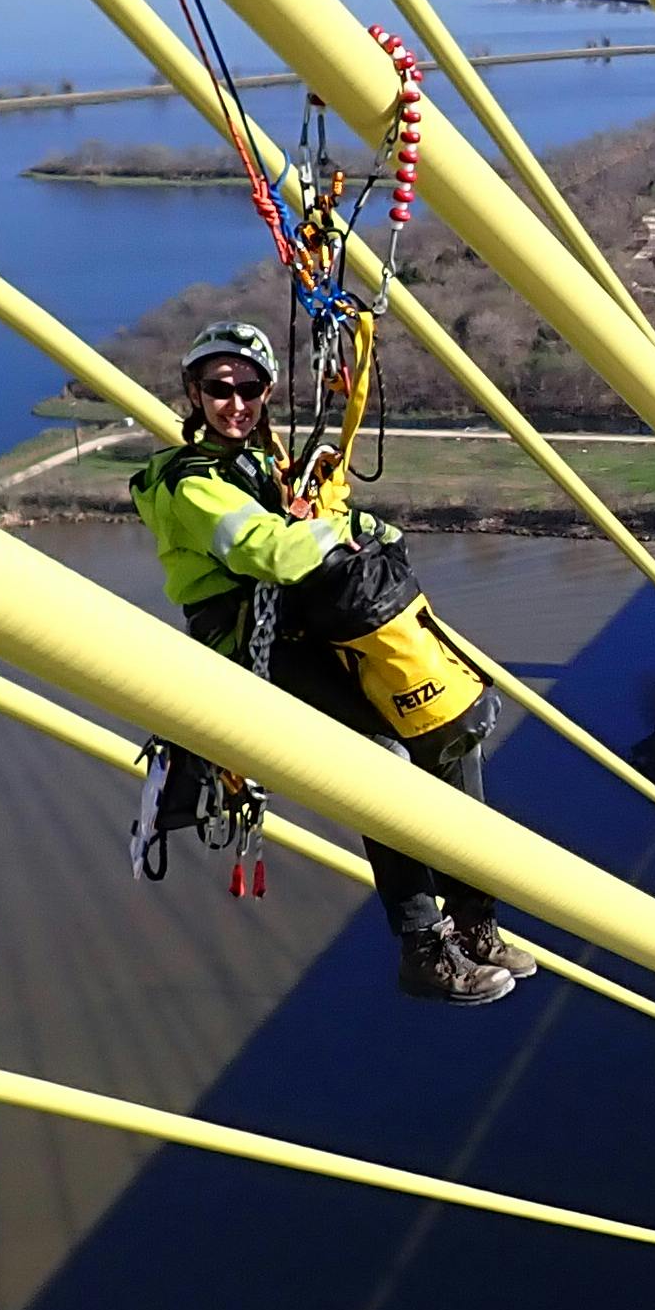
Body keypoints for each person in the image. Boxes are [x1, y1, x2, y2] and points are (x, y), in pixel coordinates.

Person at [131, 320, 533, 1005]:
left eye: (250, 388)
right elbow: (267, 549)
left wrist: (348, 523)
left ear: (266, 393)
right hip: (250, 649)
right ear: (193, 395)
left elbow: (312, 517)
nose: (236, 403)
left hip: (304, 630)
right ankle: (422, 944)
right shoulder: (189, 483)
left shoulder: (259, 465)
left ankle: (475, 916)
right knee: (380, 758)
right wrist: (352, 533)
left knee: (448, 734)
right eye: (220, 389)